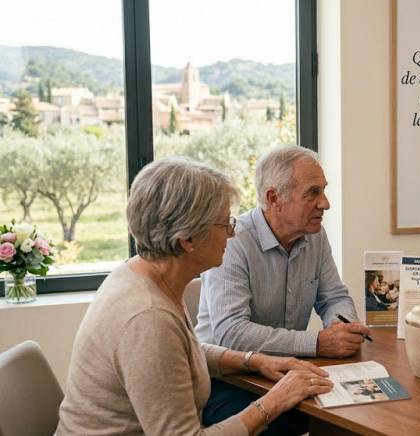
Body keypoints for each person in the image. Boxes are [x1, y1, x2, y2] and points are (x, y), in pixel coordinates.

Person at [57, 158, 333, 436]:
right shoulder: (148, 319)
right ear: (187, 239)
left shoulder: (139, 275)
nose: (233, 232)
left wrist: (253, 360)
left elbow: (181, 353)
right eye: (224, 224)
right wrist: (274, 402)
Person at [195, 145, 370, 428]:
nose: (325, 203)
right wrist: (317, 343)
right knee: (299, 424)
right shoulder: (232, 241)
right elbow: (231, 333)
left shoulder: (315, 235)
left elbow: (333, 296)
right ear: (273, 197)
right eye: (313, 192)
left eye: (324, 190)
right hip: (227, 381)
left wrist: (342, 326)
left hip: (288, 374)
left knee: (354, 416)